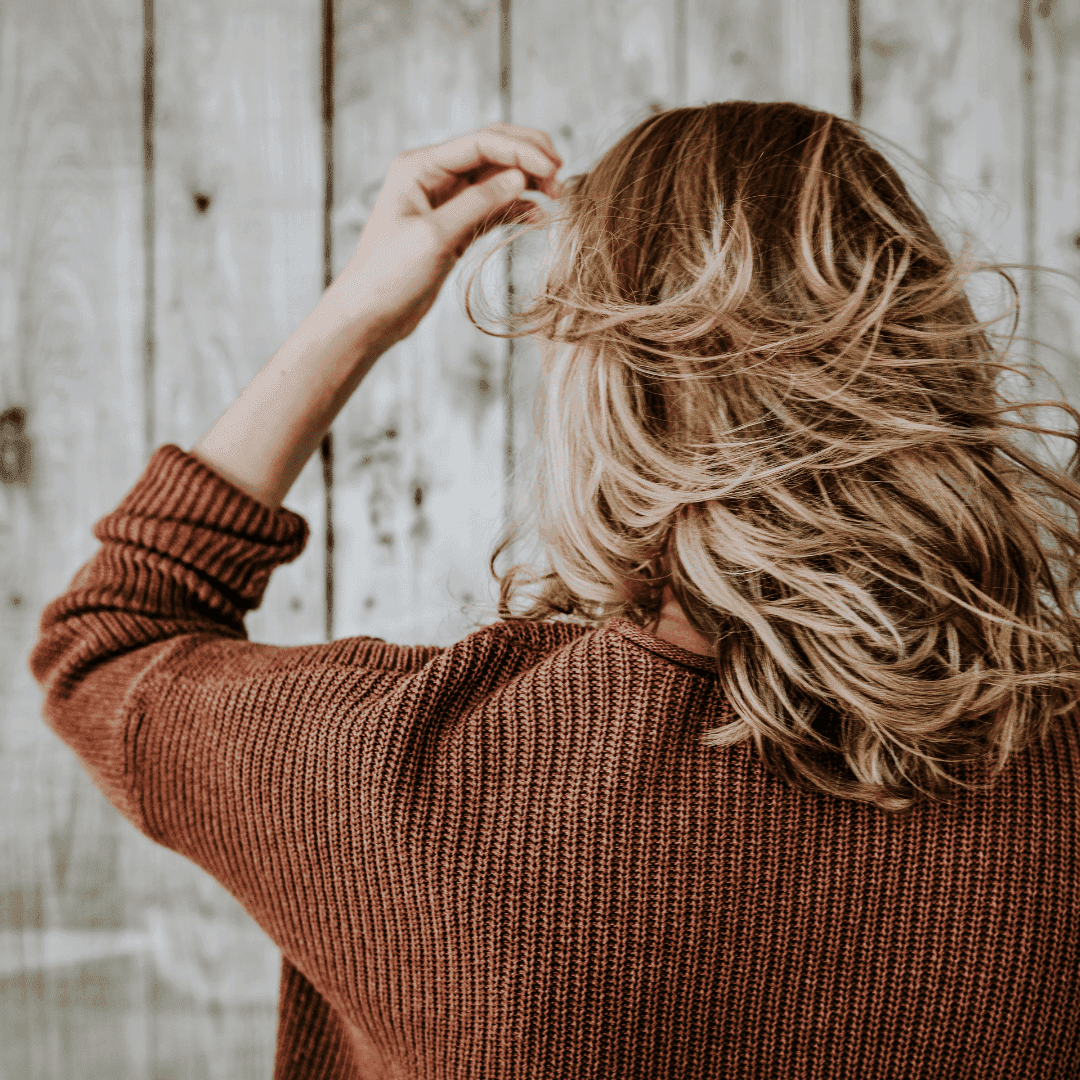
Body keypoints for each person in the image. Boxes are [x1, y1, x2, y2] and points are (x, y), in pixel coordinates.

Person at [29, 103, 1080, 1078]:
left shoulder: (405, 770)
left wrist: (357, 313)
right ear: (934, 356)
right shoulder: (1059, 758)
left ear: (604, 393)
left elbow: (111, 636)